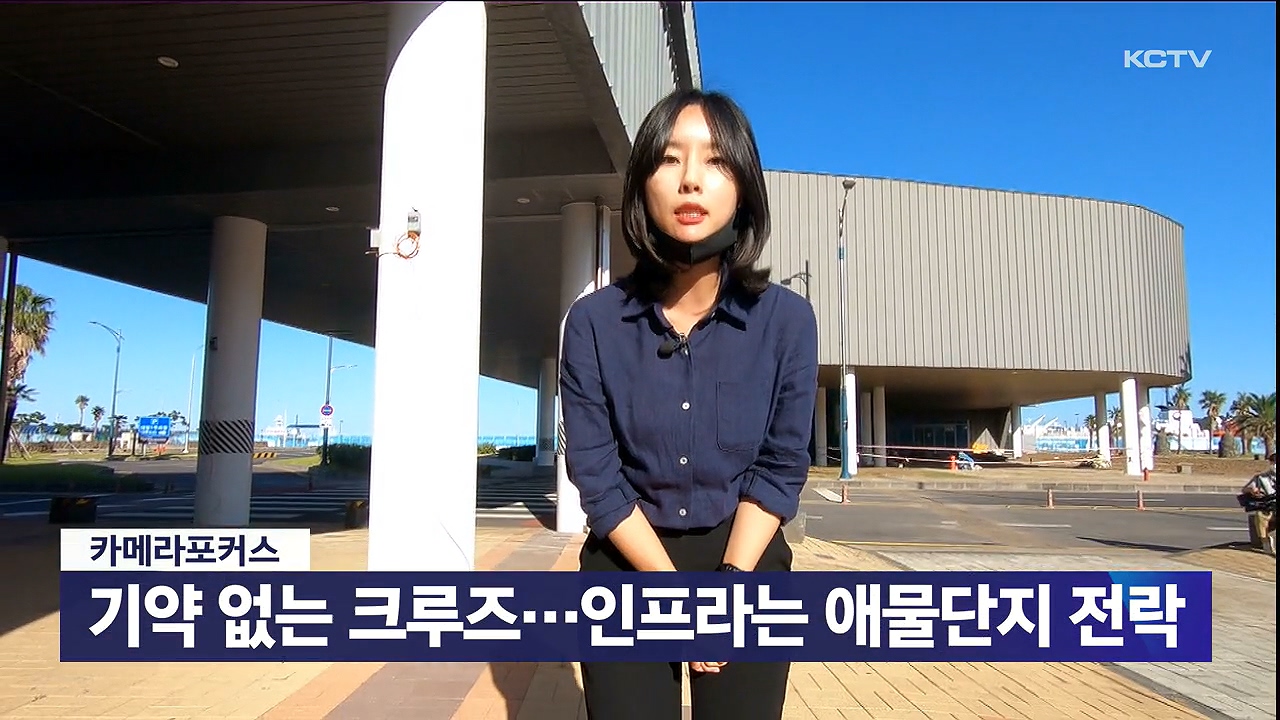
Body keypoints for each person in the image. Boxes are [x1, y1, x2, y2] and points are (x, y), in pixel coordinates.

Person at [559, 87, 818, 720]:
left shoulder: (787, 322)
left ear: (744, 188)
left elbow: (781, 466)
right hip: (627, 561)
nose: (691, 179)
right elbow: (597, 476)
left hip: (746, 561)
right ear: (642, 186)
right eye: (670, 159)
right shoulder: (593, 324)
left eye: (716, 160)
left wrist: (728, 592)